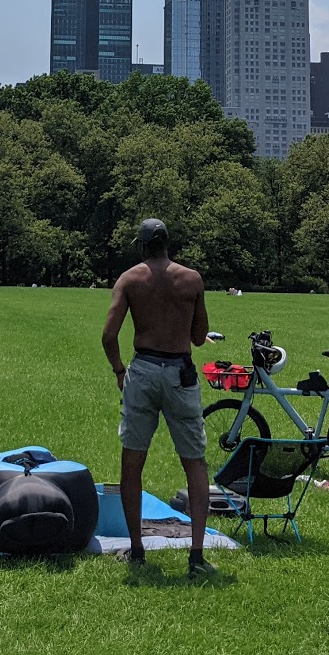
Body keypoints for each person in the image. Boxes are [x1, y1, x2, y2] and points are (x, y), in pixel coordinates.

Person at [101, 216, 215, 579]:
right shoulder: (191, 279)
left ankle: (137, 550)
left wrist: (120, 370)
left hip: (144, 370)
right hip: (180, 372)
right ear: (168, 244)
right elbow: (200, 337)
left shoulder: (130, 279)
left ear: (141, 244)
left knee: (132, 461)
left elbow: (109, 335)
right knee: (194, 462)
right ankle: (197, 557)